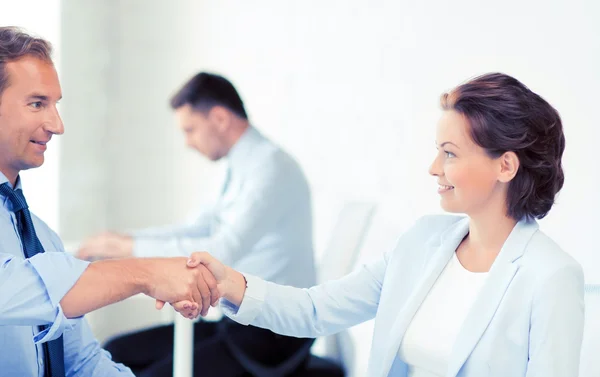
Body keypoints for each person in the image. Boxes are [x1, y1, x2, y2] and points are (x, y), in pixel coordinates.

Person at [182, 73, 585, 377]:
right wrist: (227, 284)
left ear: (506, 165)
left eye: (449, 153)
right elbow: (316, 309)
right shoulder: (423, 241)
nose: (433, 168)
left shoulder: (551, 276)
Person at [0, 26, 215, 377]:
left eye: (55, 105)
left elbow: (82, 362)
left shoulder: (41, 237)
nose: (57, 125)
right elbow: (14, 288)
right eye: (37, 104)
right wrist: (146, 273)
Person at [78, 72, 317, 376]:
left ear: (218, 118)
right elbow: (199, 227)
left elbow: (221, 250)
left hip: (271, 334)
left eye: (190, 130)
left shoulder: (270, 168)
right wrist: (126, 239)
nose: (188, 143)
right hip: (237, 322)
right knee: (117, 351)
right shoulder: (239, 164)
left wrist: (131, 249)